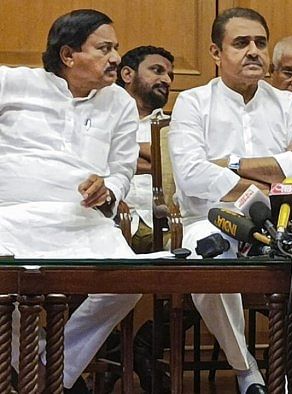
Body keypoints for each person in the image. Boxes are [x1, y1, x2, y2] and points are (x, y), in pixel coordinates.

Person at [168, 7, 292, 394]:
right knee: (206, 255)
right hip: (212, 217)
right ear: (216, 53)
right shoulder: (193, 102)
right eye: (241, 43)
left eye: (260, 43)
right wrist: (272, 179)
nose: (254, 51)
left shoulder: (290, 105)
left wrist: (233, 164)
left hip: (285, 220)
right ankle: (246, 368)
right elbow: (191, 175)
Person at [0, 9, 140, 392]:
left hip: (82, 221)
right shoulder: (11, 83)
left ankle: (52, 370)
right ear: (68, 55)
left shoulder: (121, 104)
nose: (116, 58)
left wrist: (108, 189)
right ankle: (40, 365)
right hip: (8, 218)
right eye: (104, 48)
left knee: (129, 281)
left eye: (117, 48)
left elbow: (122, 171)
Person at [117, 45, 175, 253]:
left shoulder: (174, 126)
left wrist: (121, 153)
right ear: (127, 74)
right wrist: (153, 158)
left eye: (170, 75)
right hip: (113, 223)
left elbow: (176, 166)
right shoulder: (105, 120)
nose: (167, 80)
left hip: (164, 224)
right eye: (158, 71)